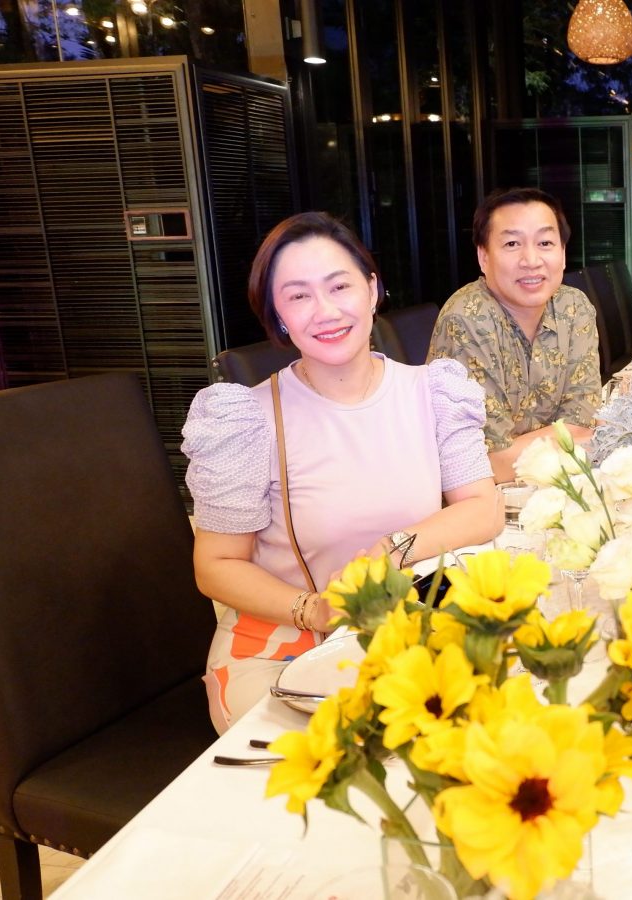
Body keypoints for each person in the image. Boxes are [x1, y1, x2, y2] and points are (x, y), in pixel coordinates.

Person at [182, 212, 502, 733]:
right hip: (285, 647)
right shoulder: (246, 420)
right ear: (278, 315)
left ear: (372, 290)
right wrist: (314, 610)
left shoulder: (434, 392)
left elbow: (482, 508)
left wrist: (389, 550)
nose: (325, 311)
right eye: (298, 296)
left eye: (339, 286)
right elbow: (215, 564)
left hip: (400, 634)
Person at [427, 187, 602, 482]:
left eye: (545, 243)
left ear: (562, 254)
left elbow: (582, 422)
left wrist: (571, 437)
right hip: (483, 499)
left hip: (556, 483)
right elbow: (490, 463)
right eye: (512, 243)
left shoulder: (573, 307)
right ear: (484, 257)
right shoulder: (467, 319)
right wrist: (573, 438)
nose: (531, 260)